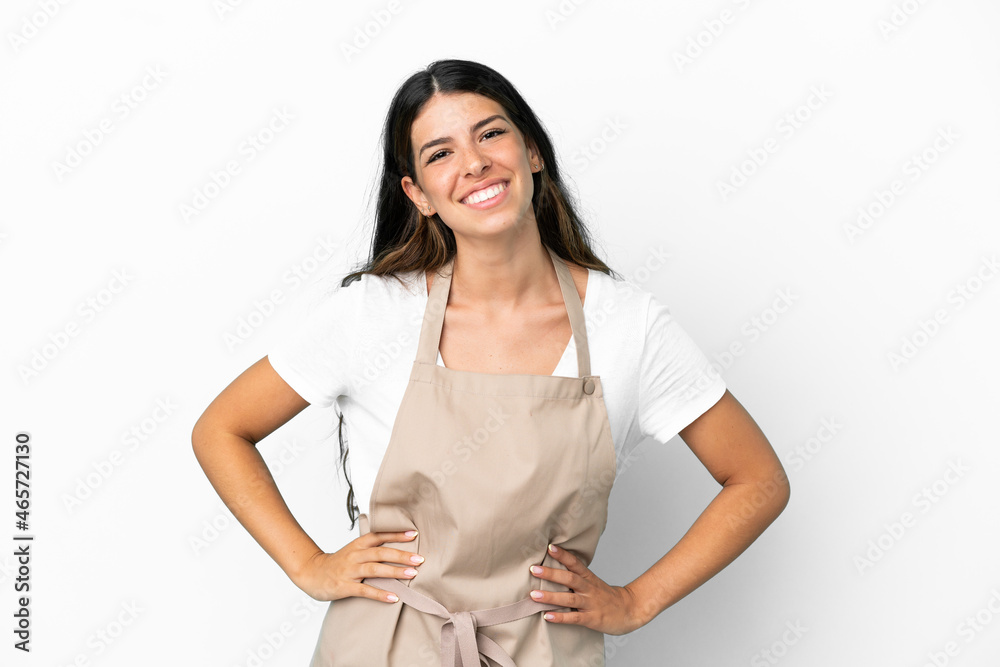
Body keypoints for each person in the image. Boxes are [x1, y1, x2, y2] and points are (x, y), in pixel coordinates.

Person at [192, 58, 790, 667]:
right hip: (382, 646)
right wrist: (307, 565)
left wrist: (638, 601)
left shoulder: (628, 326)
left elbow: (759, 480)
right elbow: (222, 429)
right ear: (418, 194)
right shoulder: (372, 313)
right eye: (439, 153)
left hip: (547, 647)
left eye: (490, 133)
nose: (474, 162)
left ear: (532, 152)